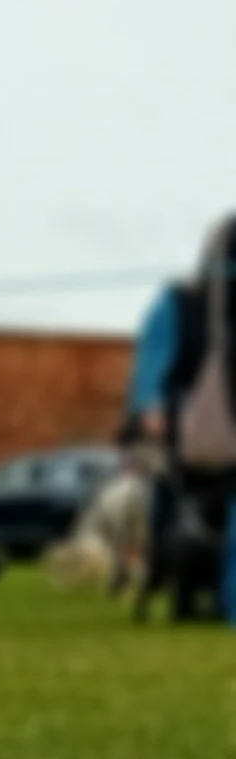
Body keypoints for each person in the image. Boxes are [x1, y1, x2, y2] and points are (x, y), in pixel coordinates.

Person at [128, 214, 236, 623]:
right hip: (189, 425)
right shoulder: (181, 300)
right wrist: (150, 404)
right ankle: (179, 592)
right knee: (176, 514)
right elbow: (155, 355)